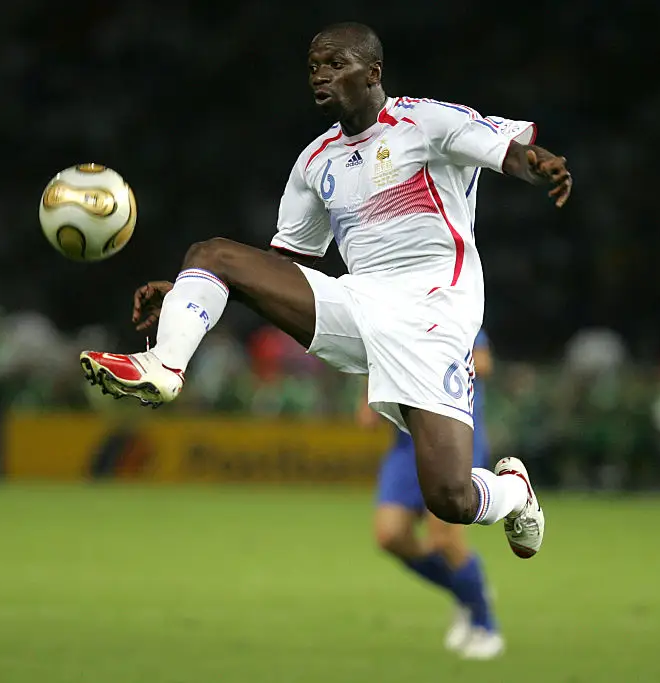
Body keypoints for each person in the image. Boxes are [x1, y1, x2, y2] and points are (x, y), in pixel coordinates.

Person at [80, 22, 572, 557]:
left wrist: (539, 164)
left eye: (336, 65)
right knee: (212, 255)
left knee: (449, 497)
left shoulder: (424, 121)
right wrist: (191, 289)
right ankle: (163, 366)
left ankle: (514, 493)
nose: (321, 76)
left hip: (432, 314)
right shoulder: (315, 162)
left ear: (373, 73)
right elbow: (283, 268)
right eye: (314, 67)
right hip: (360, 303)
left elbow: (508, 151)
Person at [361, 329, 503, 659]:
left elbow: (482, 363)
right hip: (407, 443)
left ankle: (485, 626)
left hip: (452, 439)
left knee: (445, 538)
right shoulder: (389, 318)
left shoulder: (450, 312)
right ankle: (468, 589)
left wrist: (421, 363)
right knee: (390, 535)